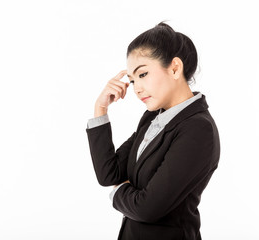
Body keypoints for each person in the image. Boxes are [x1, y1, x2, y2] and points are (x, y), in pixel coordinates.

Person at [86, 22, 220, 240]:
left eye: (143, 74)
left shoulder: (198, 129)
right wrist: (100, 109)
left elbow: (147, 209)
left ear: (175, 68)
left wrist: (117, 192)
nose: (136, 88)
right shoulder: (153, 116)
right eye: (131, 79)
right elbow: (109, 174)